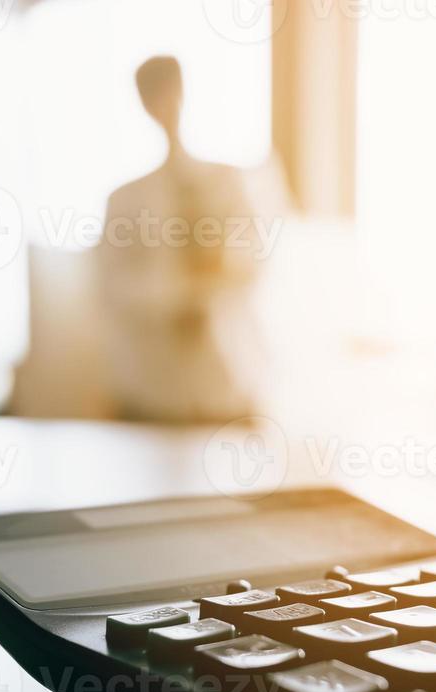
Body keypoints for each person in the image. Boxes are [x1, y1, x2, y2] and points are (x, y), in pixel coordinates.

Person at [98, 56, 275, 423]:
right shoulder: (126, 199)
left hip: (227, 387)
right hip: (153, 394)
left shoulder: (229, 183)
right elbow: (113, 286)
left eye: (170, 91)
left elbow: (252, 264)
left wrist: (212, 277)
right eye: (153, 95)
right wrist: (176, 294)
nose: (164, 105)